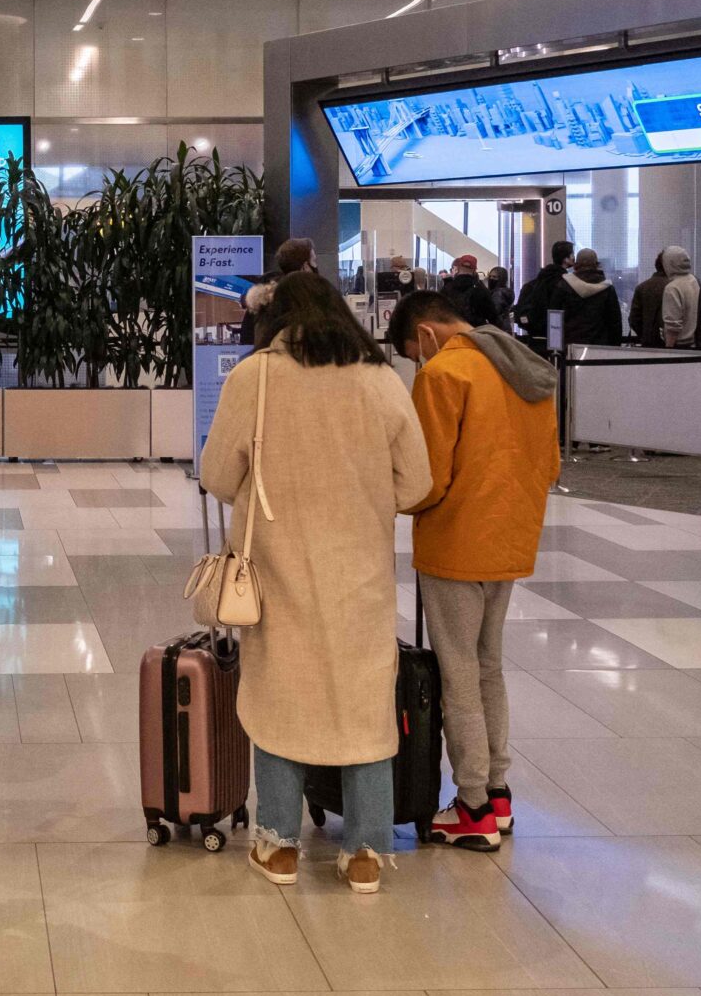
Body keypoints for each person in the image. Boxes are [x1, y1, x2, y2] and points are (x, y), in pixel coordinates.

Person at [203, 272, 429, 895]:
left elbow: (218, 474)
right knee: (364, 708)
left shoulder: (257, 376)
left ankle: (278, 846)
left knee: (281, 699)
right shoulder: (379, 378)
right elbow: (417, 483)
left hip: (279, 575)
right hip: (359, 577)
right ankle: (367, 853)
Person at [387, 290, 558, 850]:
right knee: (488, 666)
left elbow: (426, 478)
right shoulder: (522, 368)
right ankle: (499, 792)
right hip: (508, 539)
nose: (419, 362)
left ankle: (473, 806)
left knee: (458, 671)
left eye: (415, 352)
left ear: (427, 333)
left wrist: (391, 498)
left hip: (456, 544)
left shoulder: (444, 375)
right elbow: (548, 464)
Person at [240, 237, 315, 346]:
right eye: (314, 261)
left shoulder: (263, 299)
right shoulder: (303, 300)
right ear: (305, 266)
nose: (315, 266)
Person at [546, 247, 622, 347]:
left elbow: (555, 318)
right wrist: (614, 347)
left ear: (576, 265)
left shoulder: (563, 286)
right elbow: (614, 322)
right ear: (597, 265)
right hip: (600, 347)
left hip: (569, 346)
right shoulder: (607, 289)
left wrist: (556, 347)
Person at [515, 240, 574, 347]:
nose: (573, 258)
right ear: (565, 259)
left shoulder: (536, 282)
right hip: (556, 338)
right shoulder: (566, 283)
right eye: (572, 255)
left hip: (534, 338)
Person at [659, 245, 701, 349]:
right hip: (698, 344)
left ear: (669, 263)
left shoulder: (672, 288)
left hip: (680, 347)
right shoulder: (695, 281)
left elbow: (673, 326)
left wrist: (668, 349)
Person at [439, 253, 499, 328]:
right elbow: (492, 316)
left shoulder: (447, 288)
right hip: (475, 332)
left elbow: (439, 311)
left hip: (452, 331)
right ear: (474, 270)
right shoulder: (480, 289)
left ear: (458, 268)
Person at [630, 252, 669, 348]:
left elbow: (634, 319)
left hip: (648, 342)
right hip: (672, 344)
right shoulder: (675, 287)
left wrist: (645, 335)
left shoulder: (642, 287)